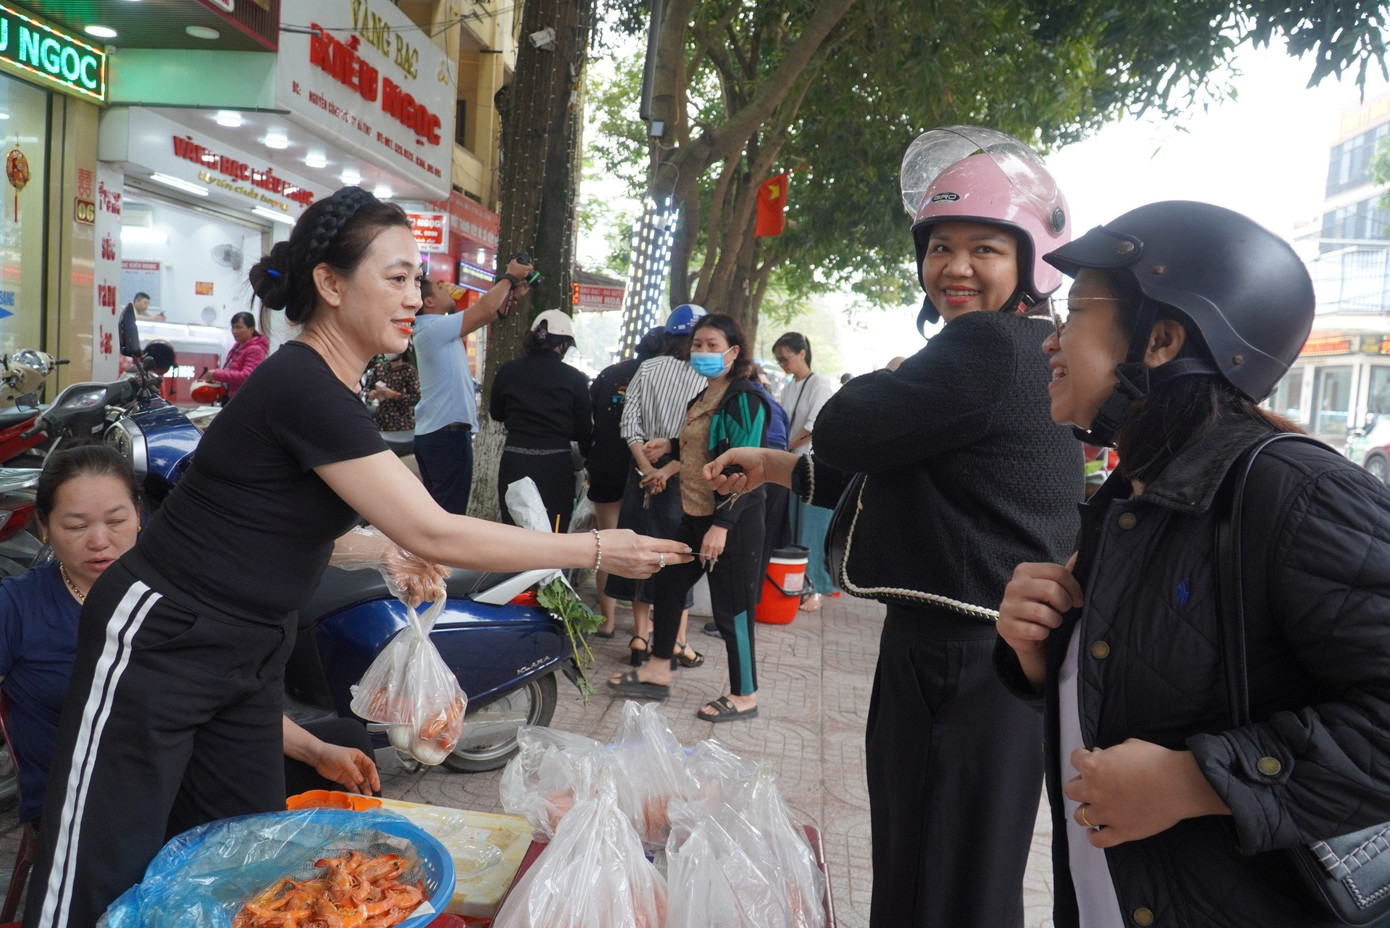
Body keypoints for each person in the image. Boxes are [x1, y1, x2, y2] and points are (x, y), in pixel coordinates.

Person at [23, 186, 689, 928]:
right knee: (99, 862)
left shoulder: (339, 388)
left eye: (418, 279)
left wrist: (379, 546)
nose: (417, 298)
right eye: (397, 278)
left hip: (248, 652)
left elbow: (272, 516)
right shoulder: (301, 382)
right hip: (161, 636)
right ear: (332, 285)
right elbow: (438, 529)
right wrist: (596, 544)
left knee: (239, 856)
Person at [703, 126, 1080, 926]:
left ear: (1028, 263)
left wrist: (885, 378)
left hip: (957, 656)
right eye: (940, 247)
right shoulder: (1028, 349)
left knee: (931, 873)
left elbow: (846, 431)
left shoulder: (985, 346)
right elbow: (892, 469)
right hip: (995, 654)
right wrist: (769, 464)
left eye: (984, 248)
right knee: (966, 873)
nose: (955, 266)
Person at [995, 200, 1390, 928]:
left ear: (1162, 339)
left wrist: (1194, 781)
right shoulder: (1131, 494)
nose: (1052, 342)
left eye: (1077, 311)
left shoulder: (1297, 493)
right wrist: (1038, 652)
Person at [0, 444, 380, 837]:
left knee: (345, 746)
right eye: (77, 526)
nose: (99, 540)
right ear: (43, 525)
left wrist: (316, 752)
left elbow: (225, 698)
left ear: (139, 516)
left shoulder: (170, 589)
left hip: (185, 766)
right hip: (89, 799)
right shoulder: (18, 605)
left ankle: (341, 890)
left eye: (116, 521)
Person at [609, 313, 770, 723]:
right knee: (668, 588)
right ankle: (658, 669)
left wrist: (722, 526)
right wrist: (672, 457)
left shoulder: (745, 398)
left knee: (732, 611)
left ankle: (745, 694)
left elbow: (747, 469)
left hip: (731, 521)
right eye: (697, 344)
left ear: (733, 353)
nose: (702, 352)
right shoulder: (701, 396)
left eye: (712, 346)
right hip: (693, 515)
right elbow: (703, 450)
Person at [609, 304, 708, 666]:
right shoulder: (707, 379)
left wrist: (647, 469)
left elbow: (629, 425)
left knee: (642, 552)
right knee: (680, 555)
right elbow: (701, 438)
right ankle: (678, 641)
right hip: (685, 478)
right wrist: (667, 472)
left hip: (641, 477)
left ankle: (638, 636)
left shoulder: (647, 368)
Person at [413, 269, 531, 515]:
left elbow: (488, 314)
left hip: (442, 434)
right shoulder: (434, 327)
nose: (447, 287)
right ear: (429, 302)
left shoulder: (435, 328)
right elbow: (483, 308)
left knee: (440, 511)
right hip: (446, 436)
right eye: (440, 286)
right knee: (448, 515)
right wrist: (510, 276)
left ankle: (431, 555)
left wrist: (511, 294)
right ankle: (440, 555)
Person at [587, 327, 667, 637]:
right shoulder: (661, 377)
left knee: (605, 544)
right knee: (647, 543)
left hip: (605, 465)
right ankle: (642, 627)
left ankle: (607, 622)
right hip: (645, 468)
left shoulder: (610, 372)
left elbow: (589, 416)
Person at [489, 309, 593, 533]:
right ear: (563, 344)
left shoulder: (508, 370)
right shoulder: (574, 378)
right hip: (555, 465)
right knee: (553, 530)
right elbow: (584, 430)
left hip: (515, 460)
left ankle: (515, 568)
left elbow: (496, 413)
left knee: (515, 529)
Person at [772, 332, 838, 612]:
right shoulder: (790, 386)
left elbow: (814, 427)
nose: (783, 364)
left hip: (812, 467)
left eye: (785, 358)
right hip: (791, 466)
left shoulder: (819, 383)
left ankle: (817, 590)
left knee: (812, 530)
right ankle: (799, 585)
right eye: (778, 360)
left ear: (802, 353)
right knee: (793, 530)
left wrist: (784, 447)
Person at [206, 311, 270, 400]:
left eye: (239, 327)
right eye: (233, 327)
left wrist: (217, 374)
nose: (234, 331)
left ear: (251, 329)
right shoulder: (237, 346)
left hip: (245, 399)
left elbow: (247, 376)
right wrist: (217, 380)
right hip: (233, 397)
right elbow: (231, 371)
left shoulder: (255, 349)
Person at [364, 345, 420, 433]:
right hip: (380, 422)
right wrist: (373, 394)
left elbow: (415, 398)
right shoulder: (380, 369)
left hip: (402, 424)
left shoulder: (409, 371)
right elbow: (366, 391)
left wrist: (394, 395)